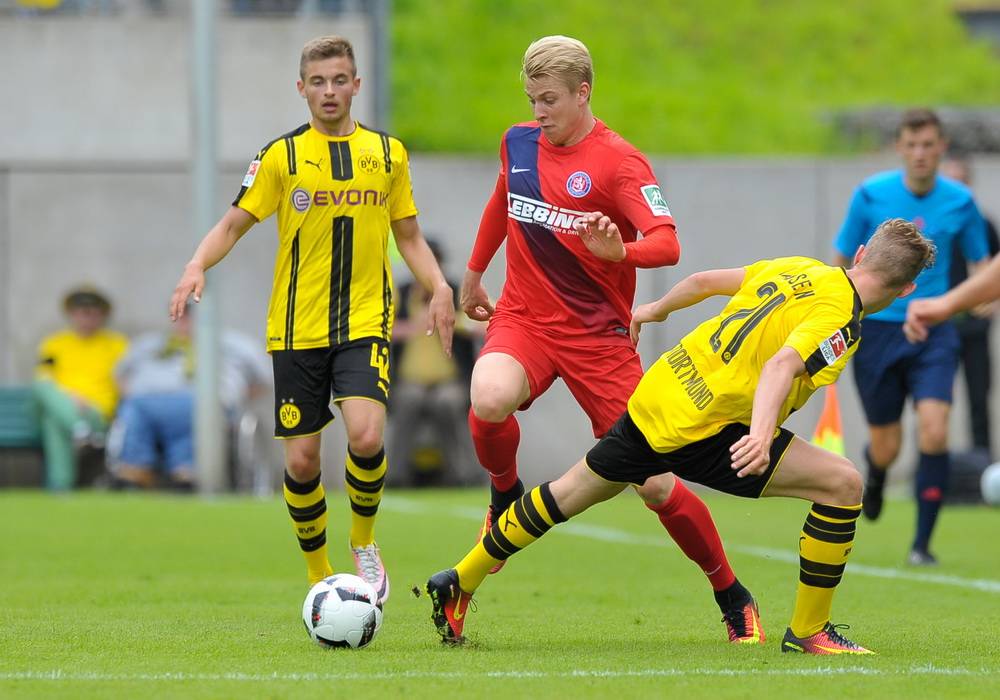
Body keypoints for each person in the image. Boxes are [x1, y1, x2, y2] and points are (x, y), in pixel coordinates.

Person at [425, 218, 936, 654]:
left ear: (862, 253)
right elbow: (783, 365)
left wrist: (655, 309)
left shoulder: (802, 268)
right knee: (844, 484)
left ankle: (459, 580)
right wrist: (760, 435)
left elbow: (708, 280)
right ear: (907, 289)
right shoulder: (843, 321)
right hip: (705, 427)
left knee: (568, 493)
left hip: (662, 391)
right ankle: (809, 631)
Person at [460, 35, 762, 643]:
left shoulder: (621, 163)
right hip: (524, 318)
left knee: (654, 482)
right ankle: (505, 495)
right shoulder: (518, 142)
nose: (539, 112)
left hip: (599, 339)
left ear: (583, 93)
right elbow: (503, 201)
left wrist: (618, 250)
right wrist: (472, 273)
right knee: (487, 397)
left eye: (549, 100)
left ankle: (732, 594)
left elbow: (667, 242)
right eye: (532, 99)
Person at [168, 35, 454, 604]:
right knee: (302, 461)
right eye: (318, 82)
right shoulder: (282, 156)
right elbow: (232, 224)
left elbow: (409, 235)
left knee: (367, 436)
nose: (329, 91)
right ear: (302, 89)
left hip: (365, 321)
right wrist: (196, 264)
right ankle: (318, 573)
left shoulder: (389, 154)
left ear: (356, 84)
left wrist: (439, 285)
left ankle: (364, 543)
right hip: (296, 328)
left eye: (339, 79)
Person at [832, 108, 990, 566]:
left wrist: (977, 298)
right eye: (912, 145)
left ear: (942, 148)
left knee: (935, 432)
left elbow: (982, 266)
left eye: (929, 145)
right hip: (877, 331)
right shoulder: (870, 195)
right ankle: (877, 473)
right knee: (888, 445)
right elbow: (841, 261)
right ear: (900, 148)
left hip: (934, 332)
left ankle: (922, 544)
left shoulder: (961, 201)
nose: (921, 153)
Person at [111, 307, 270, 490]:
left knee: (196, 411)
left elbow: (264, 379)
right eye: (180, 315)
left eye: (190, 315)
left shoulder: (233, 343)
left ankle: (186, 472)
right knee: (133, 408)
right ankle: (134, 472)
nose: (184, 321)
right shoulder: (151, 344)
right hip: (147, 401)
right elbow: (120, 374)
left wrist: (235, 398)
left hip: (200, 402)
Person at [388, 239, 482, 487]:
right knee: (408, 401)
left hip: (450, 380)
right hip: (409, 379)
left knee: (447, 404)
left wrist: (457, 322)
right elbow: (379, 327)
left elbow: (485, 323)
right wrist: (414, 327)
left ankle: (461, 474)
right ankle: (395, 475)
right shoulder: (403, 292)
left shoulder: (456, 291)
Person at [33, 286, 128, 490]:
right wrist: (70, 398)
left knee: (53, 420)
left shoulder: (117, 344)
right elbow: (44, 377)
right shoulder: (55, 343)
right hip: (65, 404)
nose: (87, 318)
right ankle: (79, 429)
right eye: (82, 313)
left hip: (97, 413)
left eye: (93, 313)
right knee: (42, 390)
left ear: (103, 315)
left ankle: (60, 487)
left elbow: (125, 382)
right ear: (72, 314)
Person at [940, 154, 999, 458]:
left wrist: (993, 299)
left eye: (960, 182)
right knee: (933, 400)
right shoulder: (932, 225)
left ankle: (983, 465)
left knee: (979, 397)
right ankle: (932, 465)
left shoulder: (984, 224)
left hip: (974, 327)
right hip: (938, 327)